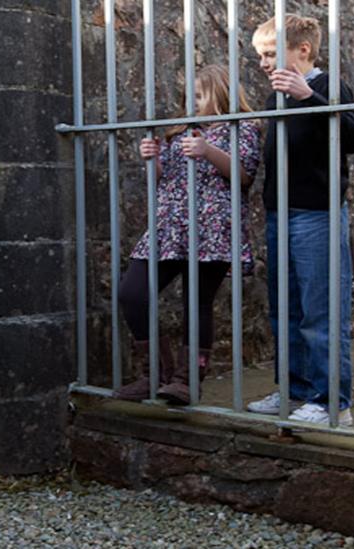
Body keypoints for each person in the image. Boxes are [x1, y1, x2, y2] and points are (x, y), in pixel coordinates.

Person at [115, 64, 261, 405]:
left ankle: (186, 380)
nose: (192, 102)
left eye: (199, 95)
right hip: (170, 224)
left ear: (221, 91)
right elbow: (165, 181)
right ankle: (154, 374)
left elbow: (243, 176)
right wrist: (152, 161)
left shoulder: (244, 127)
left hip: (212, 225)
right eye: (189, 96)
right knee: (133, 292)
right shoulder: (180, 129)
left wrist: (208, 151)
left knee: (197, 301)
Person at [245, 14, 354, 425]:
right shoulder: (272, 97)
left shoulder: (328, 86)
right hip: (281, 213)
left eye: (270, 53)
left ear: (303, 50)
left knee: (321, 310)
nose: (263, 63)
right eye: (260, 55)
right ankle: (294, 391)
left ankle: (333, 402)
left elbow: (353, 138)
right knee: (286, 309)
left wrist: (309, 98)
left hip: (318, 214)